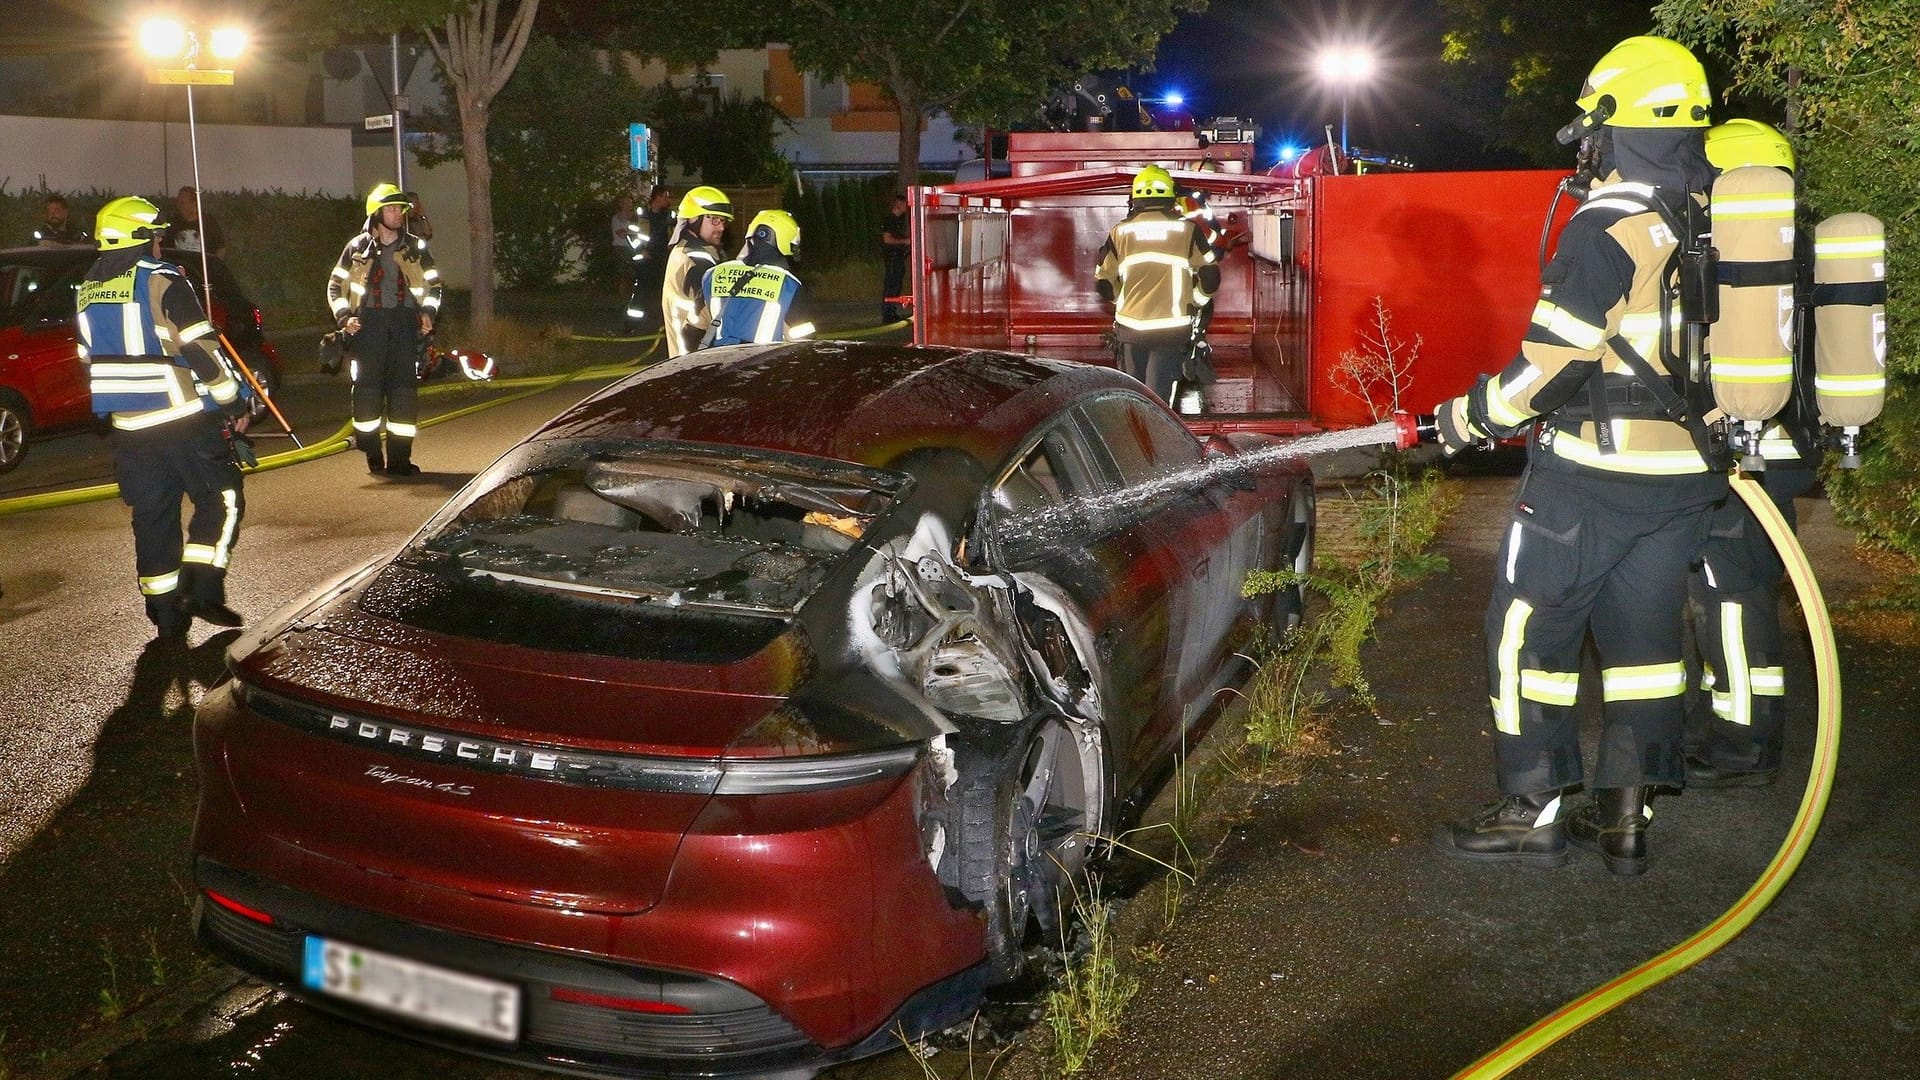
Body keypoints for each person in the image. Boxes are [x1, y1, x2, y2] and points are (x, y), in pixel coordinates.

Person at [1427, 36, 1720, 876]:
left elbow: (1552, 365)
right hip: (1686, 480)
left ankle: (1534, 807)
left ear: (1612, 127)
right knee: (1647, 646)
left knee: (1527, 636)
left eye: (1591, 129)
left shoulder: (1608, 224)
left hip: (1590, 476)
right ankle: (1626, 816)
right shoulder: (1710, 216)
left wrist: (1469, 417)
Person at [1685, 119, 1815, 789]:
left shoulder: (1732, 256)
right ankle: (1730, 720)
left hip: (1746, 451)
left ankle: (1743, 743)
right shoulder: (1801, 250)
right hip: (1782, 448)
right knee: (1745, 590)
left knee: (1730, 598)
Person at [76, 196, 250, 638]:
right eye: (155, 235)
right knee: (223, 499)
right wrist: (233, 400)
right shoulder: (164, 280)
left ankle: (166, 614)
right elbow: (199, 347)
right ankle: (202, 586)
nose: (160, 243)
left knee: (153, 517)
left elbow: (85, 356)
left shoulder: (85, 292)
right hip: (182, 419)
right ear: (139, 238)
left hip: (128, 430)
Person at [326, 183, 443, 476]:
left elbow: (435, 285)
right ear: (377, 213)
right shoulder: (356, 248)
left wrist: (428, 312)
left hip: (405, 326)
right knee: (367, 394)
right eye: (391, 209)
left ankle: (400, 461)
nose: (397, 214)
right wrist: (344, 318)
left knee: (404, 394)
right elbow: (335, 286)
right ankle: (371, 452)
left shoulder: (415, 246)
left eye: (400, 209)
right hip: (369, 327)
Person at [1094, 165, 1220, 404]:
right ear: (1170, 196)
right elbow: (1211, 278)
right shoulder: (1187, 230)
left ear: (1135, 197)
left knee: (1134, 395)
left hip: (1130, 329)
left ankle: (1134, 439)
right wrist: (1195, 301)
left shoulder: (1120, 232)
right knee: (1159, 402)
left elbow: (1103, 283)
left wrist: (1123, 301)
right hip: (1171, 329)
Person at [700, 209, 814, 348]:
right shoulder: (789, 285)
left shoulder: (713, 274)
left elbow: (696, 326)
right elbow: (803, 341)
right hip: (764, 365)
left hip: (718, 362)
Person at [661, 186, 732, 357]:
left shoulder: (684, 249)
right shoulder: (697, 261)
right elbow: (718, 311)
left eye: (723, 221)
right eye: (714, 220)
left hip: (684, 359)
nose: (721, 227)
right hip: (693, 361)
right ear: (694, 219)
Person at [624, 185, 675, 334]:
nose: (668, 199)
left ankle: (667, 326)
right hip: (645, 260)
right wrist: (641, 250)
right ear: (657, 197)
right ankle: (631, 324)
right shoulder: (641, 214)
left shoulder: (670, 216)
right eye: (665, 196)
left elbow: (676, 233)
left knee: (667, 291)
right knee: (641, 291)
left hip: (663, 258)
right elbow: (632, 234)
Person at [167, 186, 226, 258]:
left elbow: (221, 248)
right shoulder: (173, 222)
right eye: (178, 202)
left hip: (204, 266)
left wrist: (214, 266)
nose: (179, 205)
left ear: (194, 203)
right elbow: (168, 249)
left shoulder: (208, 221)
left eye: (183, 203)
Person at [880, 192, 911, 322]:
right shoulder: (889, 220)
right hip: (892, 257)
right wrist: (904, 242)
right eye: (904, 204)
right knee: (891, 284)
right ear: (898, 204)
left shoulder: (898, 221)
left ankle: (891, 312)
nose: (906, 207)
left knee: (896, 284)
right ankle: (888, 314)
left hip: (898, 257)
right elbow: (887, 239)